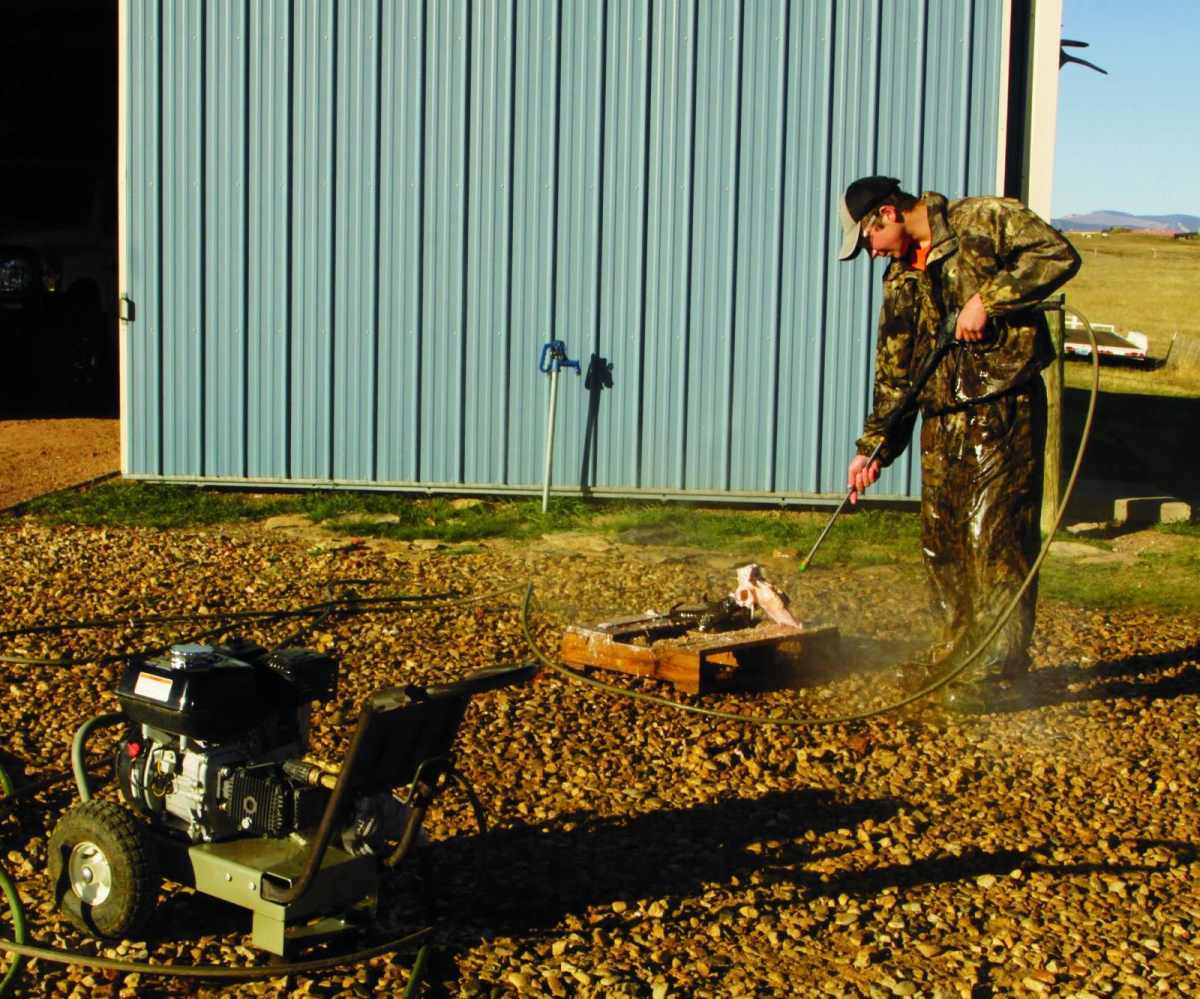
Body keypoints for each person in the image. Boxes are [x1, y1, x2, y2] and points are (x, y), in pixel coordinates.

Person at [836, 176, 1081, 712]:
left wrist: (987, 301)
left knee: (992, 539)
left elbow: (1056, 254)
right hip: (940, 419)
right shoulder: (900, 277)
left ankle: (996, 673)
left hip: (1001, 407)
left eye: (868, 239)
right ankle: (955, 653)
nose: (871, 252)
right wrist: (874, 447)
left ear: (887, 214)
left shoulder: (982, 220)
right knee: (941, 541)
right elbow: (896, 373)